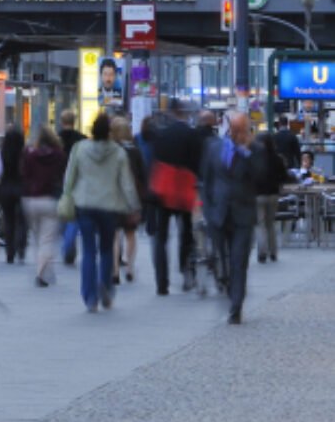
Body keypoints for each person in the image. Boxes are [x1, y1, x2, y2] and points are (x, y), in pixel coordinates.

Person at [59, 111, 140, 313]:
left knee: (88, 251)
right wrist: (133, 206)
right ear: (109, 132)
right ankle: (106, 286)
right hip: (109, 207)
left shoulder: (79, 149)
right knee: (105, 249)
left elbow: (69, 177)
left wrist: (67, 196)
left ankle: (89, 297)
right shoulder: (118, 152)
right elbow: (127, 184)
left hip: (84, 205)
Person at [200, 111, 261, 324]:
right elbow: (206, 180)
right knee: (222, 260)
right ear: (228, 127)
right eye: (234, 129)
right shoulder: (213, 147)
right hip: (218, 214)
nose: (237, 133)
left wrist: (247, 151)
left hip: (243, 215)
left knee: (239, 261)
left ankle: (236, 306)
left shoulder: (255, 150)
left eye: (241, 129)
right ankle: (226, 282)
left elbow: (262, 178)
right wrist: (207, 209)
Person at [150, 98, 204, 295]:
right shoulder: (192, 135)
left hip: (164, 191)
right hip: (185, 190)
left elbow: (154, 163)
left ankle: (161, 283)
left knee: (161, 237)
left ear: (171, 112)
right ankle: (185, 269)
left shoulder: (161, 135)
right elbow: (198, 164)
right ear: (182, 111)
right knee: (186, 233)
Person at [21, 125, 67, 287]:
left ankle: (44, 271)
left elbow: (25, 175)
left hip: (31, 200)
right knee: (47, 240)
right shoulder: (60, 155)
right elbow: (62, 177)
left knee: (37, 238)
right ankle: (42, 273)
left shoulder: (29, 155)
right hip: (50, 200)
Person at [110, 117, 148, 285]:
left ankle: (115, 269)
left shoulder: (110, 150)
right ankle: (130, 267)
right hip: (132, 197)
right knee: (130, 233)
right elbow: (143, 175)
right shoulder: (135, 150)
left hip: (113, 196)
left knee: (115, 234)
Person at [0, 125, 27, 264]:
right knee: (22, 220)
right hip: (22, 188)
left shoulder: (2, 153)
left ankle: (9, 252)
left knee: (9, 220)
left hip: (6, 188)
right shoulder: (25, 153)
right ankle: (21, 247)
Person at [251, 130, 287, 265]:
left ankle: (262, 253)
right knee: (270, 224)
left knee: (260, 224)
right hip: (273, 194)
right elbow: (284, 176)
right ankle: (273, 252)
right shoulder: (277, 158)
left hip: (257, 195)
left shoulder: (253, 158)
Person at [58, 110, 86, 264]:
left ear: (62, 121)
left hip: (59, 181)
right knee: (74, 217)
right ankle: (69, 246)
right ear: (74, 121)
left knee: (64, 214)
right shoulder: (82, 140)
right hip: (77, 181)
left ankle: (68, 246)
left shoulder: (56, 139)